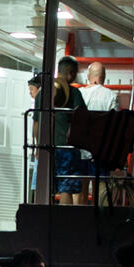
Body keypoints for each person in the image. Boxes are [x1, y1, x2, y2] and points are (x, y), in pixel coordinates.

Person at [50, 56, 89, 203]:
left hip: (46, 147)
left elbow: (36, 124)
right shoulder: (74, 93)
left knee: (48, 186)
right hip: (67, 147)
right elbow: (82, 118)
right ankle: (66, 224)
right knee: (66, 187)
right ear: (69, 72)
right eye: (74, 73)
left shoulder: (43, 92)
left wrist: (36, 146)